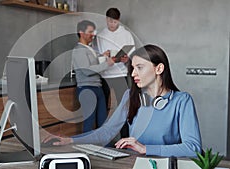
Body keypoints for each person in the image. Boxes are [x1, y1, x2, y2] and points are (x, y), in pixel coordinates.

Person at [44, 44, 202, 157]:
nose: (133, 74)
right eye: (132, 68)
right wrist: (70, 139)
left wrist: (145, 149)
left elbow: (193, 148)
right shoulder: (130, 96)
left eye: (139, 67)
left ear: (159, 69)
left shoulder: (182, 101)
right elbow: (106, 132)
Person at [72, 20, 115, 132]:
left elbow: (93, 64)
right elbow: (86, 70)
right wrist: (107, 64)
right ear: (81, 32)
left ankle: (104, 148)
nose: (93, 34)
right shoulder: (79, 50)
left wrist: (103, 56)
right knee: (89, 123)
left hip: (97, 87)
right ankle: (87, 148)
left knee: (102, 122)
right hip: (87, 89)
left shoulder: (89, 48)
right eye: (90, 32)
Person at [96, 8, 135, 111]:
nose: (112, 24)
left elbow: (132, 54)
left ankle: (125, 127)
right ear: (106, 19)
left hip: (121, 74)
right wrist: (103, 55)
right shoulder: (100, 35)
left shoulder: (126, 35)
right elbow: (96, 57)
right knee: (102, 105)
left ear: (119, 20)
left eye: (115, 22)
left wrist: (127, 60)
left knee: (124, 105)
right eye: (110, 21)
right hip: (105, 75)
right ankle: (103, 127)